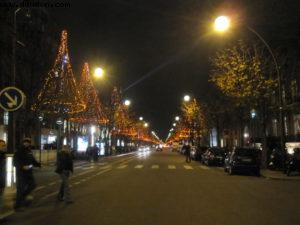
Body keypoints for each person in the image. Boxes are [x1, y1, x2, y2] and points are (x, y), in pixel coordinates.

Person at [13, 138, 41, 211]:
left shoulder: (29, 151)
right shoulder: (19, 151)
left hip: (29, 172)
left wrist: (38, 164)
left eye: (28, 142)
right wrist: (22, 166)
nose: (27, 143)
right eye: (26, 142)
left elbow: (32, 160)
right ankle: (17, 206)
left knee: (33, 185)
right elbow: (15, 162)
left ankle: (23, 197)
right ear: (23, 143)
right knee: (20, 189)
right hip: (21, 173)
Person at [0, 140, 7, 212]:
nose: (4, 147)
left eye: (4, 145)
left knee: (1, 198)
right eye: (2, 145)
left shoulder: (3, 155)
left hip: (2, 181)